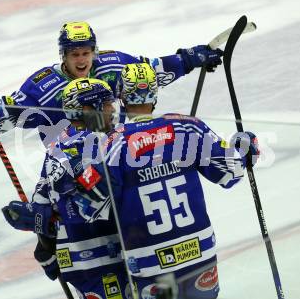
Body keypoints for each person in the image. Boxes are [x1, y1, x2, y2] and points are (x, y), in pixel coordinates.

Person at [55, 63, 260, 299]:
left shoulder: (112, 145)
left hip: (148, 262)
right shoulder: (188, 127)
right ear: (154, 95)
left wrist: (67, 188)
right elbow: (230, 173)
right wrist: (245, 146)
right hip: (199, 252)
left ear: (121, 96)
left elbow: (90, 207)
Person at [0, 21, 224, 144]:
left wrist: (189, 59)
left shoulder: (113, 64)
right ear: (63, 55)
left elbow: (150, 71)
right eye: (75, 54)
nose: (82, 60)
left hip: (119, 155)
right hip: (70, 169)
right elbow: (7, 113)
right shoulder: (44, 85)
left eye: (86, 52)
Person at [2, 78, 131, 299]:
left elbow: (41, 205)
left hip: (79, 260)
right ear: (89, 109)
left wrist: (46, 245)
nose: (112, 109)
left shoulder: (58, 145)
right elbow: (100, 202)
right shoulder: (100, 142)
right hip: (106, 256)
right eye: (107, 104)